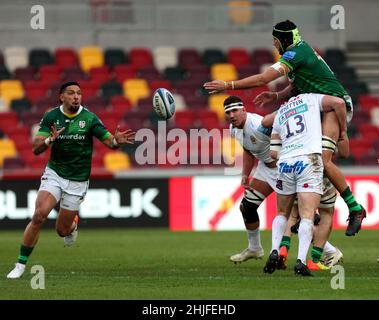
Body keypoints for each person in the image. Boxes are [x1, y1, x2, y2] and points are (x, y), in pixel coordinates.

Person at [204, 19, 366, 237]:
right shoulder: (300, 53)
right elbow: (299, 84)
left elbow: (263, 78)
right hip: (317, 107)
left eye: (275, 40)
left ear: (283, 39)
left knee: (322, 160)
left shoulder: (294, 53)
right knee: (304, 155)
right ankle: (307, 212)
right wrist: (277, 95)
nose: (274, 44)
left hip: (334, 104)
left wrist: (228, 85)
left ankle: (355, 209)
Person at [7, 81, 136, 279]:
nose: (76, 96)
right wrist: (51, 139)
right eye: (71, 93)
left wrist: (117, 141)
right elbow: (36, 148)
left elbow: (110, 142)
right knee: (39, 214)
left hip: (78, 180)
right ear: (62, 97)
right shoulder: (52, 116)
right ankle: (20, 264)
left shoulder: (89, 118)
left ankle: (72, 225)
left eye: (79, 93)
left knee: (62, 230)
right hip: (55, 173)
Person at [268, 92, 347, 276]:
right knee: (307, 215)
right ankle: (301, 261)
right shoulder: (310, 98)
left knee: (283, 213)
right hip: (308, 159)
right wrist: (342, 130)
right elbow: (338, 102)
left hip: (285, 162)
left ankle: (274, 250)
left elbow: (273, 152)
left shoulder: (280, 112)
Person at [223, 96, 278, 263]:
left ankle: (328, 251)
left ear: (244, 110)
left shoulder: (259, 126)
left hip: (284, 169)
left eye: (234, 111)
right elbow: (248, 150)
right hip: (265, 170)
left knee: (301, 216)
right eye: (228, 112)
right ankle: (255, 249)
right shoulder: (233, 128)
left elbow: (283, 136)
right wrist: (245, 174)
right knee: (247, 207)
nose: (231, 115)